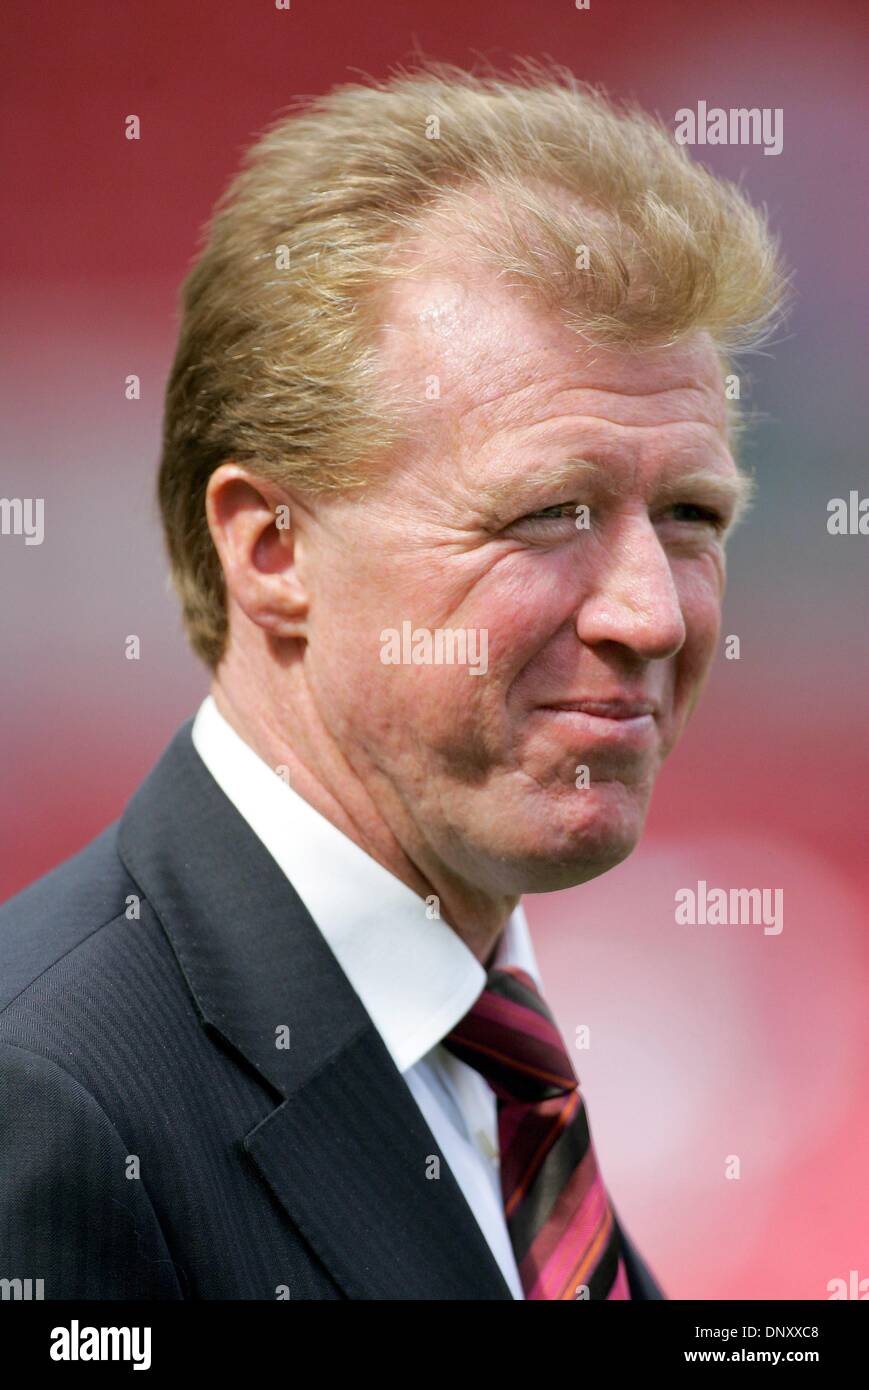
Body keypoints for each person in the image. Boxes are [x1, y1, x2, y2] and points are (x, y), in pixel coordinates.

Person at [0, 60, 785, 1300]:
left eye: (689, 515)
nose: (651, 612)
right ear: (271, 550)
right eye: (546, 513)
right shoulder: (52, 1107)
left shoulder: (484, 1058)